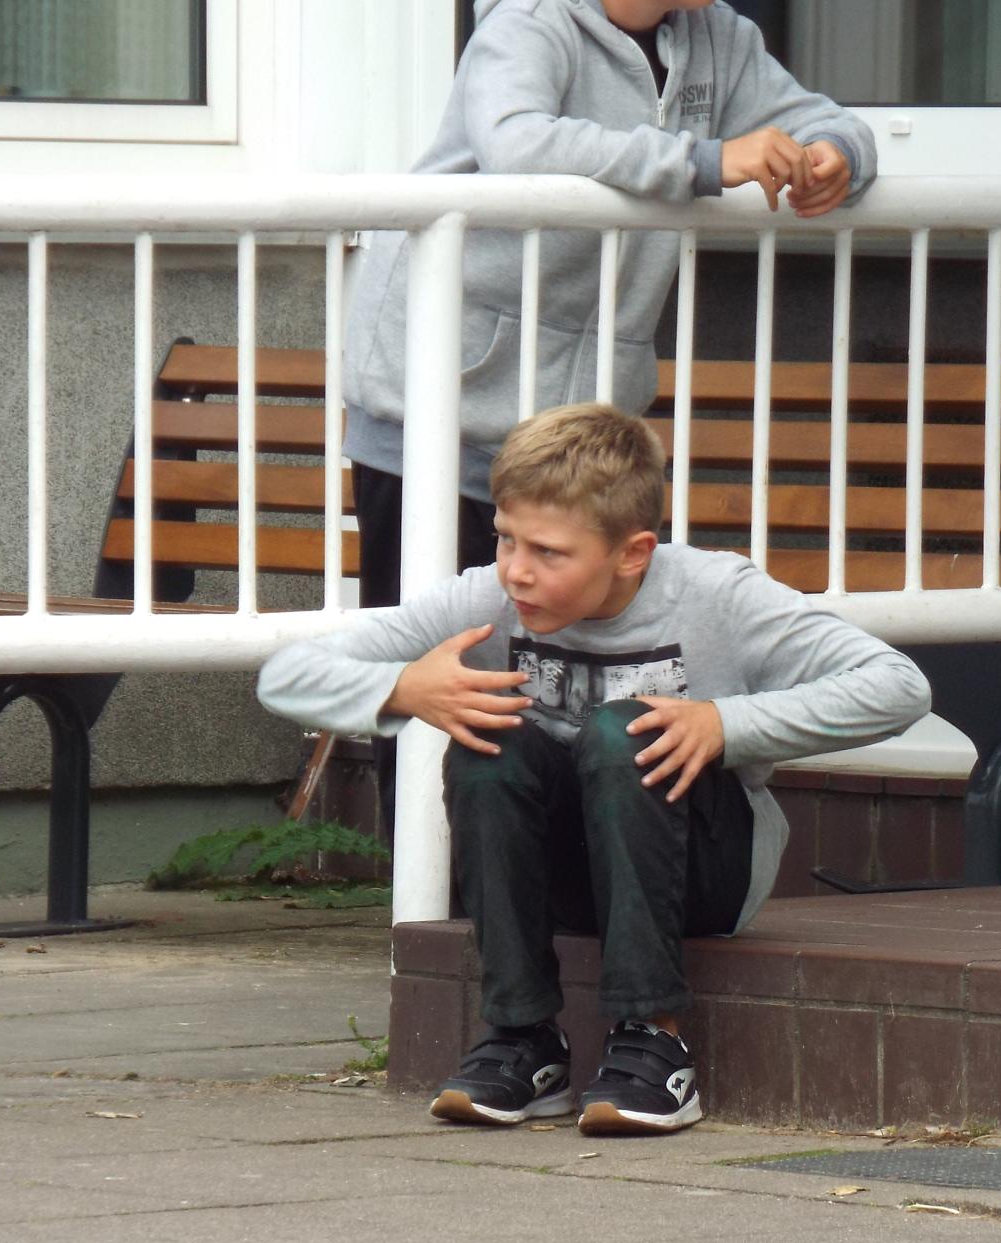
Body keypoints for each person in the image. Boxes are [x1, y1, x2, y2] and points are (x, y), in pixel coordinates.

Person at [258, 404, 929, 1135]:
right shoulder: (486, 599)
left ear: (632, 553)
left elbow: (898, 687)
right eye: (506, 537)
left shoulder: (719, 595)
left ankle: (654, 1039)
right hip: (569, 878)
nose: (517, 570)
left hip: (701, 874)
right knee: (493, 741)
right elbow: (287, 675)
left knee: (623, 730)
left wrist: (724, 723)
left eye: (549, 552)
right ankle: (523, 1040)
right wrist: (403, 688)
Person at [343, 0, 878, 831]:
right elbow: (517, 141)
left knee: (560, 668)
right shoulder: (530, 21)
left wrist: (834, 156)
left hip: (575, 426)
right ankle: (430, 888)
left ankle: (553, 877)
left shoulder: (717, 37)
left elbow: (825, 121)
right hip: (439, 402)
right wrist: (707, 161)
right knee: (443, 662)